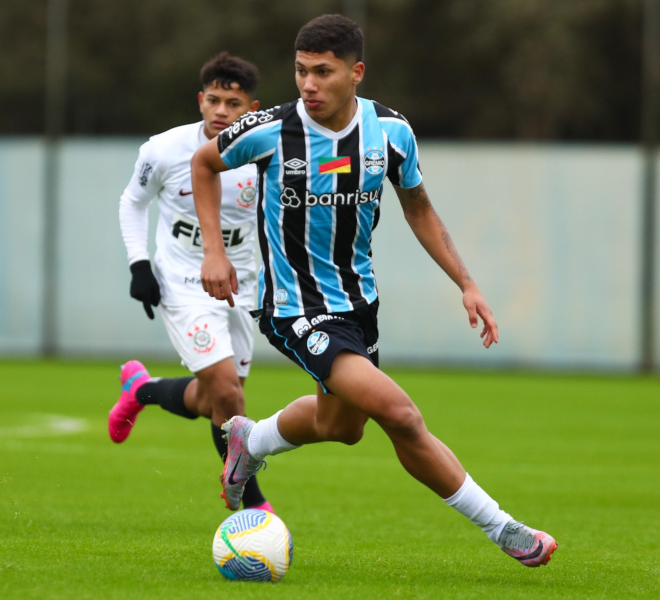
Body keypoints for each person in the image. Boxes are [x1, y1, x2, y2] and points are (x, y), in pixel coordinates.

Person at [191, 15, 557, 567]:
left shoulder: (390, 132)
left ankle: (251, 440)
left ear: (356, 72)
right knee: (400, 414)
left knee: (341, 427)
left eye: (322, 72)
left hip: (358, 305)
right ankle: (504, 528)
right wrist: (214, 251)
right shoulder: (269, 129)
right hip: (294, 309)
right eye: (300, 71)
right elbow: (203, 162)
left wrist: (467, 283)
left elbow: (419, 208)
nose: (308, 85)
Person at [109, 52, 273, 512]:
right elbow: (132, 202)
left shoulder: (264, 154)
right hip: (182, 280)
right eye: (215, 100)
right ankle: (253, 504)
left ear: (252, 109)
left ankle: (139, 389)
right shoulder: (163, 149)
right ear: (201, 101)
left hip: (241, 285)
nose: (222, 111)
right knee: (227, 391)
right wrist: (139, 264)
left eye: (234, 104)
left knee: (214, 399)